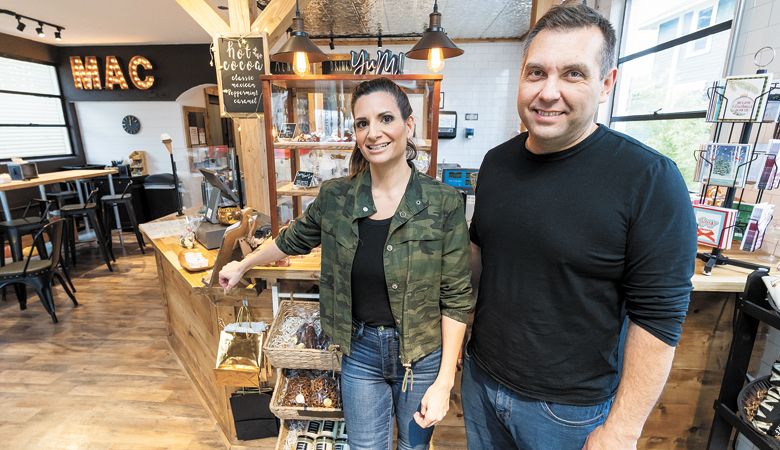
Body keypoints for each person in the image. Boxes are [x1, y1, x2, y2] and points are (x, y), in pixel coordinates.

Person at [462, 4, 697, 450]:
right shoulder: (496, 164)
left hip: (568, 412)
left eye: (573, 74)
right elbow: (482, 260)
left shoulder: (649, 179)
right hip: (481, 381)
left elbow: (659, 318)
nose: (548, 92)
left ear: (607, 83)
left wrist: (623, 429)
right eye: (536, 73)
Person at [219, 77, 473, 450]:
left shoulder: (443, 202)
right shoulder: (336, 198)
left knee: (413, 447)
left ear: (409, 124)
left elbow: (456, 297)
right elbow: (293, 239)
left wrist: (445, 380)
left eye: (386, 119)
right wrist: (243, 265)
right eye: (362, 123)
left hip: (421, 353)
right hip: (361, 351)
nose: (374, 133)